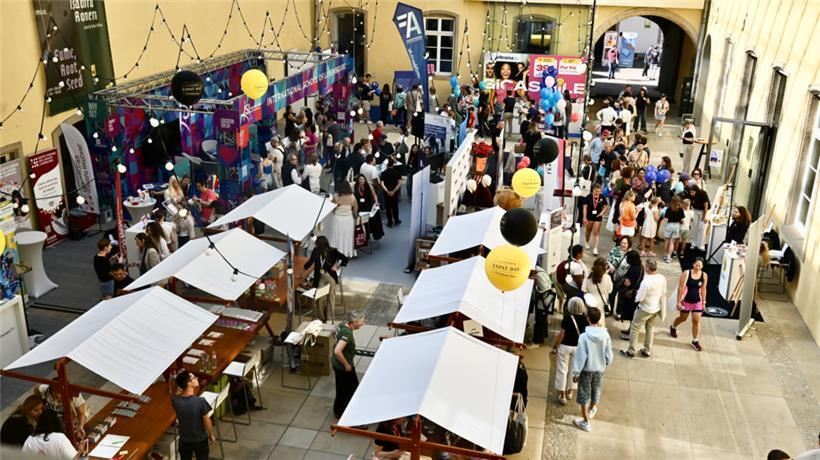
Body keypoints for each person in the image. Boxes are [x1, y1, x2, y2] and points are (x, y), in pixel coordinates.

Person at [571, 307, 612, 432]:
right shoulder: (605, 335)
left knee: (584, 394)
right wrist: (605, 363)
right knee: (596, 390)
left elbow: (580, 356)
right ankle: (592, 408)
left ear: (588, 318)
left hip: (587, 369)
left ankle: (585, 421)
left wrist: (575, 372)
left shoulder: (584, 337)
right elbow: (609, 354)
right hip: (600, 369)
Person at [621, 258, 667, 358]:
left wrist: (636, 297)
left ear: (647, 268)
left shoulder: (646, 282)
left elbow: (640, 298)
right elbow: (664, 292)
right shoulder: (662, 278)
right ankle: (647, 350)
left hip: (644, 308)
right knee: (650, 328)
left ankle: (631, 351)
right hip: (655, 308)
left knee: (635, 328)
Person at [551, 298, 588, 405]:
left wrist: (555, 347)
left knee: (562, 369)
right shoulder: (585, 319)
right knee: (574, 370)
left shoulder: (567, 318)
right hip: (578, 347)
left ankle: (562, 395)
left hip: (565, 346)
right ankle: (570, 391)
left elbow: (561, 335)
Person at [171, 371, 216, 460]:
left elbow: (175, 392)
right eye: (194, 378)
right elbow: (207, 421)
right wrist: (211, 434)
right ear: (189, 383)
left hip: (184, 440)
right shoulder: (200, 401)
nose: (197, 378)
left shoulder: (175, 400)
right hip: (200, 440)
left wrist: (179, 381)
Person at [303, 236, 348, 322]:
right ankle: (321, 318)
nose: (315, 244)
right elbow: (310, 262)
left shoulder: (333, 251)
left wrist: (337, 266)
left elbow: (345, 259)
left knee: (331, 298)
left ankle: (329, 318)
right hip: (320, 277)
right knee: (319, 298)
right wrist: (302, 271)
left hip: (330, 276)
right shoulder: (315, 251)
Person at [332, 310, 366, 418]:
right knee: (350, 389)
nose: (363, 323)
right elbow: (337, 351)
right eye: (361, 321)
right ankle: (348, 413)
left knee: (341, 388)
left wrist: (336, 340)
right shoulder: (347, 333)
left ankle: (338, 410)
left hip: (336, 364)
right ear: (354, 322)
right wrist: (346, 364)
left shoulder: (342, 324)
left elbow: (333, 331)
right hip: (343, 367)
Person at [671, 257, 708, 351]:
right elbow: (680, 288)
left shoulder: (704, 275)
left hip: (697, 301)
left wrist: (704, 302)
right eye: (696, 265)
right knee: (683, 318)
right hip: (686, 300)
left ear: (702, 266)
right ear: (693, 264)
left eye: (700, 266)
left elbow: (703, 289)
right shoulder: (686, 273)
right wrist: (678, 301)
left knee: (696, 320)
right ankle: (673, 326)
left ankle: (695, 340)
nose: (698, 267)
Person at [616, 250, 643, 332]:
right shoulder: (641, 266)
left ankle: (631, 330)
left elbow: (627, 283)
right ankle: (630, 329)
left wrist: (621, 280)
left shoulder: (633, 269)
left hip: (630, 294)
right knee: (633, 313)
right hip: (636, 292)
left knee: (630, 313)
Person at [329, 181, 358, 258]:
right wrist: (355, 216)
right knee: (347, 236)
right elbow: (355, 210)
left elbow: (332, 208)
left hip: (338, 219)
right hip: (348, 219)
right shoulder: (352, 197)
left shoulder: (336, 196)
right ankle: (347, 252)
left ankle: (337, 252)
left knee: (337, 236)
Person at [582, 184, 608, 256]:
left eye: (599, 191)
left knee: (596, 232)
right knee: (588, 230)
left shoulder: (602, 197)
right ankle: (587, 242)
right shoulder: (589, 197)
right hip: (589, 216)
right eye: (596, 191)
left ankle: (595, 248)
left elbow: (605, 206)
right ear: (593, 190)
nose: (597, 193)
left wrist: (602, 213)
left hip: (598, 217)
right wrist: (584, 217)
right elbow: (585, 207)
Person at [662, 196, 686, 263]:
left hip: (669, 225)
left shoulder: (668, 209)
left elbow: (666, 219)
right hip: (676, 226)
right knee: (672, 242)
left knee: (666, 241)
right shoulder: (680, 209)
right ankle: (669, 257)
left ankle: (665, 255)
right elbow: (683, 221)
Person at [380, 158, 402, 227]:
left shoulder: (383, 173)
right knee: (395, 207)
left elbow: (382, 184)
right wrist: (393, 191)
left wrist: (387, 191)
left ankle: (390, 222)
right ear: (393, 164)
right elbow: (399, 183)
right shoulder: (397, 172)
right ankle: (396, 220)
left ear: (387, 165)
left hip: (386, 193)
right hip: (394, 193)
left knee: (388, 207)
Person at [688, 185, 710, 250]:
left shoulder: (703, 194)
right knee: (694, 227)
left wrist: (704, 216)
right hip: (695, 210)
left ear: (696, 191)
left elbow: (706, 206)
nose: (691, 194)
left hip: (703, 211)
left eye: (692, 192)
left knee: (702, 228)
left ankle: (700, 244)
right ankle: (693, 243)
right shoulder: (691, 195)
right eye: (691, 192)